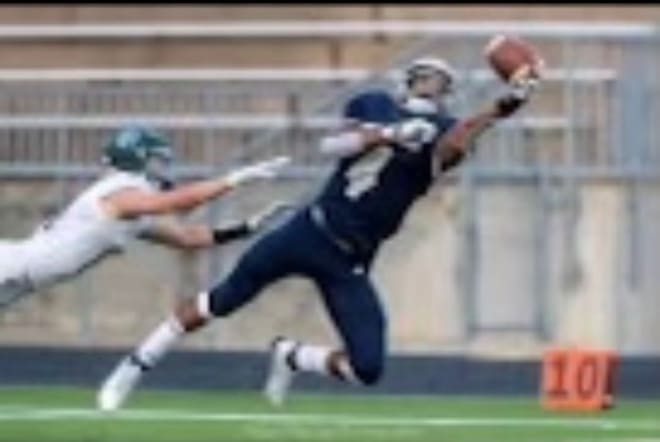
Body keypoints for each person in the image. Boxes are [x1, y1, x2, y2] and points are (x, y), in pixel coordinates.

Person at [97, 57, 539, 411]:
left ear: (448, 96)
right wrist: (389, 134)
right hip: (309, 230)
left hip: (350, 261)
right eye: (424, 78)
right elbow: (333, 146)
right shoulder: (374, 105)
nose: (430, 87)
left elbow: (457, 143)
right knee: (220, 301)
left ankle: (292, 356)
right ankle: (133, 367)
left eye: (440, 83)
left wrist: (505, 104)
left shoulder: (442, 133)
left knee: (368, 367)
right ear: (406, 81)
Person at [0, 124, 290, 310]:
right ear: (138, 159)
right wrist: (234, 179)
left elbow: (186, 238)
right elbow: (176, 202)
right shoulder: (123, 191)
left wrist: (246, 228)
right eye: (156, 160)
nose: (162, 167)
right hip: (14, 266)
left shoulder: (132, 206)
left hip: (22, 277)